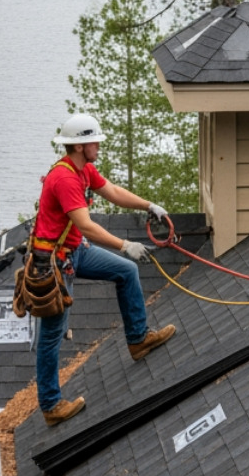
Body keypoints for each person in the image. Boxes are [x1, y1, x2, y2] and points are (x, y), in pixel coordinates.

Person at [34, 113, 182, 427]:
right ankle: (50, 405)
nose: (99, 145)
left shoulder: (84, 169)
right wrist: (125, 244)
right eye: (94, 141)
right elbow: (86, 226)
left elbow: (111, 191)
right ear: (79, 145)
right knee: (52, 334)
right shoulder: (65, 178)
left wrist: (148, 205)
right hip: (55, 263)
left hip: (74, 251)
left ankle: (138, 340)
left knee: (126, 272)